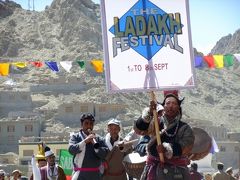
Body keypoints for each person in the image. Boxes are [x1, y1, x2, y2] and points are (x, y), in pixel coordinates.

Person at [135, 91, 195, 180]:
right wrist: (149, 113)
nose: (171, 106)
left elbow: (187, 146)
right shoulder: (155, 122)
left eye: (174, 103)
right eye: (168, 103)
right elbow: (140, 130)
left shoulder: (185, 128)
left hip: (177, 172)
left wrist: (167, 149)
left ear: (178, 107)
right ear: (164, 106)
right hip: (154, 170)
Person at [68, 113, 109, 180]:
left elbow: (105, 154)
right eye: (86, 123)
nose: (89, 126)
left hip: (95, 175)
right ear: (81, 125)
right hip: (80, 175)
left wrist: (96, 146)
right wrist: (84, 141)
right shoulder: (75, 137)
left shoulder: (99, 139)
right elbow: (71, 150)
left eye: (91, 124)